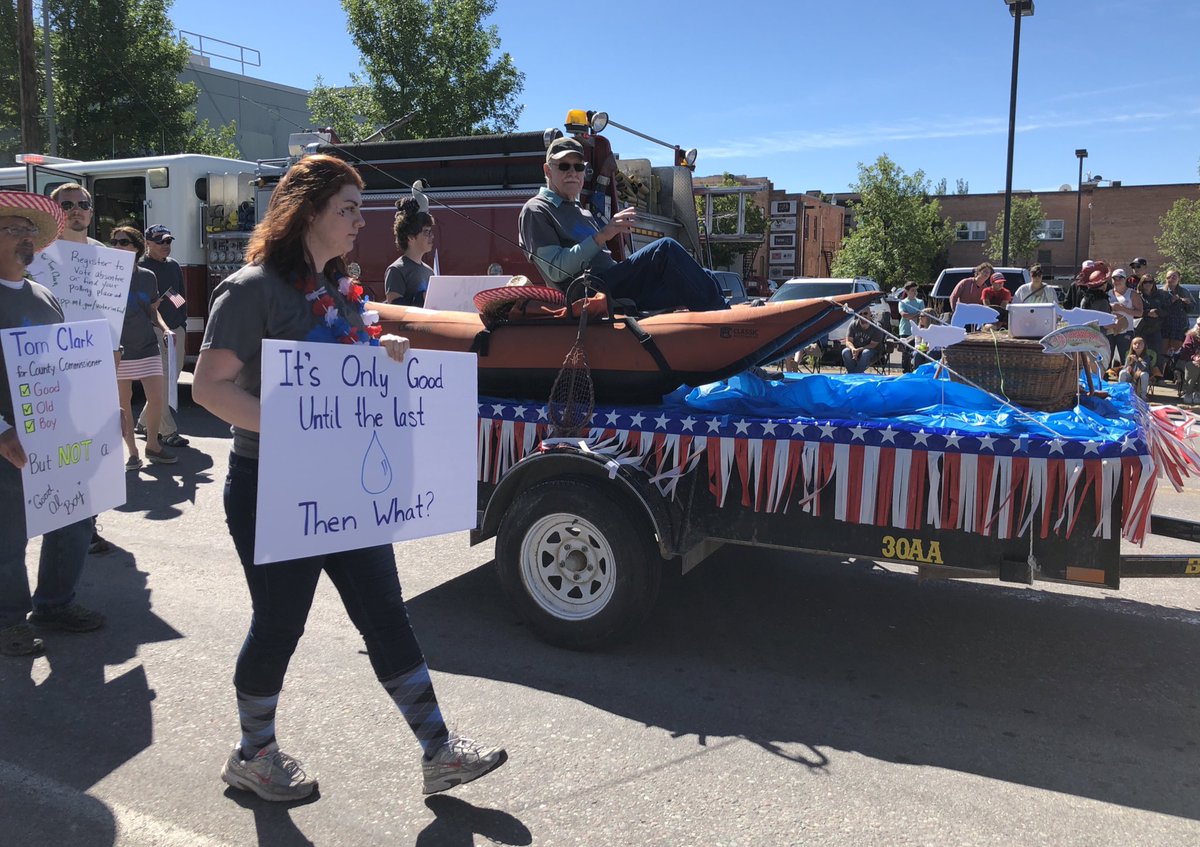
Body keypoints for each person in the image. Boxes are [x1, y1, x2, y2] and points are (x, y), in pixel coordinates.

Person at [192, 153, 505, 802]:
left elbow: (350, 380)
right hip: (273, 485)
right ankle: (253, 753)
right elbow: (209, 388)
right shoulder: (250, 289)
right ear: (308, 211)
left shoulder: (341, 290)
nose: (364, 221)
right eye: (350, 208)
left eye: (362, 208)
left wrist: (383, 355)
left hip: (343, 485)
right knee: (280, 622)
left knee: (387, 615)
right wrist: (293, 425)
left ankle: (438, 750)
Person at [0, 191, 105, 657]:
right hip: (8, 441)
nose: (26, 238)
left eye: (30, 231)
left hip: (56, 436)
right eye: (14, 230)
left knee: (74, 519)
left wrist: (100, 407)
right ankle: (6, 622)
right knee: (7, 536)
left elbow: (69, 364)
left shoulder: (43, 295)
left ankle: (55, 603)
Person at [518, 136, 726, 313]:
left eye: (578, 166)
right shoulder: (536, 210)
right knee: (665, 249)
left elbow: (605, 263)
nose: (572, 172)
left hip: (612, 287)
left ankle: (727, 337)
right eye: (564, 166)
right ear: (547, 170)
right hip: (587, 293)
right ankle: (723, 321)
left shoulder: (581, 211)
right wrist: (603, 235)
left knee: (700, 277)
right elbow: (557, 271)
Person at [49, 182, 116, 553]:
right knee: (59, 455)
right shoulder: (40, 255)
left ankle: (86, 522)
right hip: (52, 372)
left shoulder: (104, 256)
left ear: (91, 212)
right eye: (67, 204)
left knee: (91, 452)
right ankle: (62, 525)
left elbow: (112, 322)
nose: (76, 210)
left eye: (82, 205)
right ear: (56, 212)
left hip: (95, 369)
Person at [108, 226, 176, 470]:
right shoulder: (104, 274)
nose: (116, 246)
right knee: (123, 404)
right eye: (114, 242)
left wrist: (165, 329)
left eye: (123, 242)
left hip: (147, 346)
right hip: (118, 349)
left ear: (136, 247)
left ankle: (153, 446)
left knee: (157, 399)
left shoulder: (147, 276)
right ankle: (133, 453)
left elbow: (152, 312)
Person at [137, 225, 188, 448]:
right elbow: (139, 303)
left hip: (176, 329)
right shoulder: (140, 268)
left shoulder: (174, 266)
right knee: (164, 383)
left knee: (171, 378)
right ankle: (168, 432)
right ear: (147, 243)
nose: (165, 246)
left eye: (168, 241)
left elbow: (179, 294)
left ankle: (143, 422)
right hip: (155, 330)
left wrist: (181, 321)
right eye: (160, 242)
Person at [384, 198, 435, 306]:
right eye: (426, 232)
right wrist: (422, 298)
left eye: (431, 231)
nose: (432, 236)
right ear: (411, 237)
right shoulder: (396, 270)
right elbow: (394, 307)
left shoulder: (429, 271)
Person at [1107, 268, 1142, 364]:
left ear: (1125, 279)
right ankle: (1104, 377)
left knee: (1126, 358)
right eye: (1115, 278)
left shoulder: (1132, 293)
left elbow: (1140, 313)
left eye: (1120, 278)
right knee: (1107, 357)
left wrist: (1123, 309)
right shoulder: (1108, 294)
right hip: (1110, 330)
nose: (1117, 281)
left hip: (1126, 331)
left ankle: (1126, 377)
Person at [1161, 268, 1195, 359]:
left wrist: (1188, 303)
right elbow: (1158, 308)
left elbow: (1191, 309)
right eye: (1169, 277)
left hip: (1179, 329)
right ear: (1166, 279)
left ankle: (1175, 373)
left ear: (1178, 279)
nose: (1171, 279)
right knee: (1162, 356)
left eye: (1174, 276)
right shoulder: (1161, 292)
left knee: (1177, 356)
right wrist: (1171, 301)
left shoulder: (1184, 291)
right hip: (1164, 328)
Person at [841, 309, 884, 374]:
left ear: (870, 315)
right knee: (845, 351)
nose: (863, 315)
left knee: (865, 353)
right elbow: (848, 341)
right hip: (855, 350)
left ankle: (854, 374)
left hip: (871, 351)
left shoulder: (876, 327)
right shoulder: (853, 324)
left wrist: (859, 350)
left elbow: (873, 345)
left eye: (865, 313)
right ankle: (854, 373)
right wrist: (853, 349)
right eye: (860, 314)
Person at [1134, 274, 1164, 360]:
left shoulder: (1160, 296)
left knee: (1157, 356)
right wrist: (1147, 313)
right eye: (1145, 282)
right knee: (1141, 354)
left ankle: (1156, 373)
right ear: (1141, 283)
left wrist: (1157, 312)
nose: (1148, 284)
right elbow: (1133, 312)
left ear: (1153, 283)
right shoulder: (1137, 296)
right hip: (1141, 330)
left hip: (1156, 330)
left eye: (1150, 282)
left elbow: (1166, 311)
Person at [897, 281, 924, 372]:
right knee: (905, 353)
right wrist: (916, 314)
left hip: (918, 331)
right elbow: (904, 315)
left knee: (916, 351)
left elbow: (922, 315)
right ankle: (905, 371)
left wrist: (913, 315)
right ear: (907, 291)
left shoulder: (920, 302)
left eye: (916, 290)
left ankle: (915, 370)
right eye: (912, 290)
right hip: (905, 330)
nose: (915, 292)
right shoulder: (902, 302)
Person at [1175, 316, 1200, 405]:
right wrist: (1195, 358)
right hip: (1188, 361)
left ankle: (1197, 393)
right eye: (1199, 325)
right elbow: (1185, 352)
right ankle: (1188, 393)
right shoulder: (1190, 336)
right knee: (1193, 366)